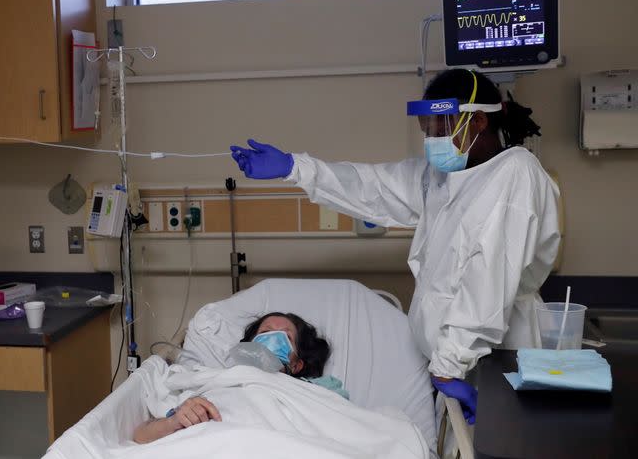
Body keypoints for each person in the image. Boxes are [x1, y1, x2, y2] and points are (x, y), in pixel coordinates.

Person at [229, 69, 561, 424]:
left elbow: (488, 283)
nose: (431, 139)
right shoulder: (442, 178)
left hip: (497, 358)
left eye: (439, 128)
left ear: (477, 120)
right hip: (452, 365)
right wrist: (295, 168)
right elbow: (371, 186)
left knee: (501, 443)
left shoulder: (514, 174)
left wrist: (448, 368)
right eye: (427, 130)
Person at [133, 312, 331, 444]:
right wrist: (175, 420)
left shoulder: (317, 391)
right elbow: (140, 437)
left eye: (286, 337)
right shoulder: (211, 381)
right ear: (247, 347)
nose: (273, 339)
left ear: (297, 365)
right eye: (266, 332)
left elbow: (341, 427)